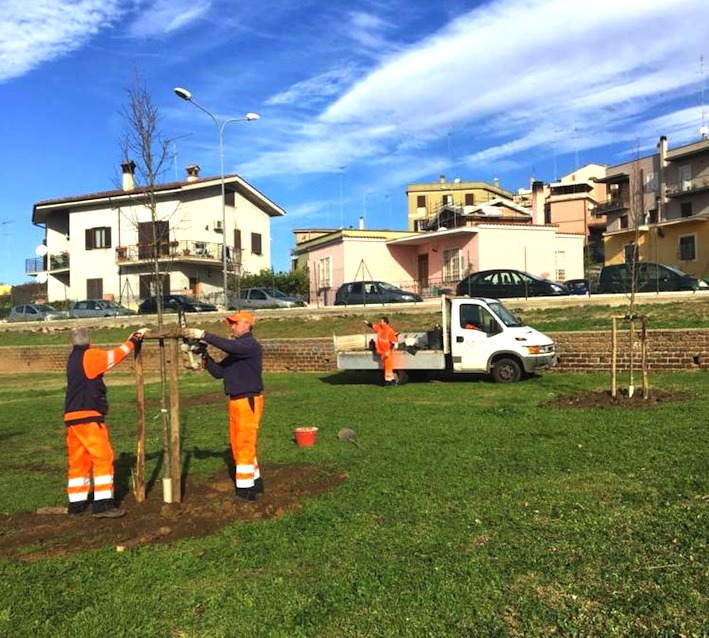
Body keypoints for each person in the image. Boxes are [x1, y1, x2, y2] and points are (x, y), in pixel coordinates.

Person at [64, 326, 147, 518]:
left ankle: (76, 505)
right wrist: (134, 339)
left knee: (78, 460)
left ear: (72, 343)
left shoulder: (72, 359)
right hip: (89, 417)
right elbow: (116, 356)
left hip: (72, 418)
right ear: (90, 342)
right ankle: (102, 504)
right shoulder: (90, 356)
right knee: (102, 457)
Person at [183, 311, 264, 501]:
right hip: (237, 401)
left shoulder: (249, 345)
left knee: (244, 443)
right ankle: (256, 481)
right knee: (239, 443)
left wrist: (203, 335)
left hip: (248, 401)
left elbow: (230, 346)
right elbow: (219, 372)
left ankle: (245, 490)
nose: (232, 327)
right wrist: (203, 354)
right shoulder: (237, 350)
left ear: (247, 325)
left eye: (235, 324)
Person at [364, 316, 399, 385]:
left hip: (387, 352)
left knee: (388, 366)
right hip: (382, 352)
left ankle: (388, 381)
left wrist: (389, 351)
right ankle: (390, 380)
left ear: (385, 323)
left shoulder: (390, 331)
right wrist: (367, 323)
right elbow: (373, 326)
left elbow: (393, 342)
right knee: (385, 366)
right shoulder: (379, 328)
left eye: (382, 321)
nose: (380, 323)